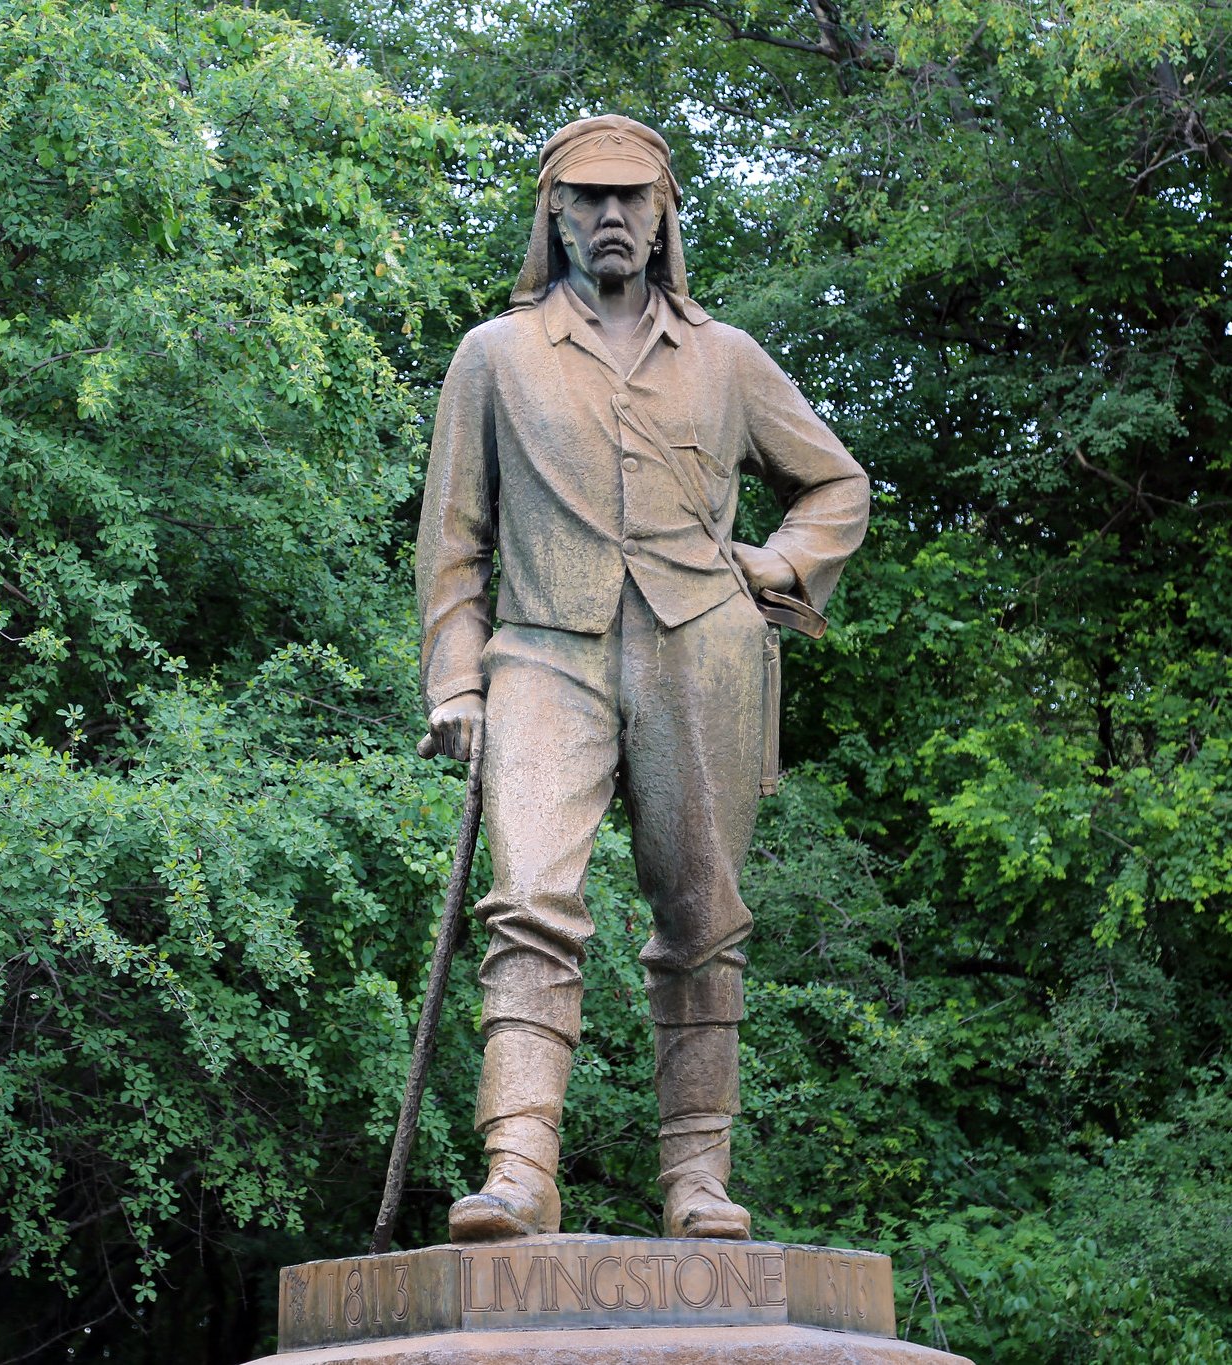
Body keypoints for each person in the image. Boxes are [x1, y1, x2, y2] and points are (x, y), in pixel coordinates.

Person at [416, 115, 869, 1243]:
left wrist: (773, 566)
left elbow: (838, 488)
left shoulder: (728, 360)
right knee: (526, 905)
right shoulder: (495, 356)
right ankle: (518, 1169)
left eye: (631, 198)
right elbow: (452, 543)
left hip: (700, 654)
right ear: (554, 214)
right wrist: (456, 684)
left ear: (665, 212)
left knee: (703, 921)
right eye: (587, 198)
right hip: (541, 653)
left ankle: (698, 1184)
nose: (611, 216)